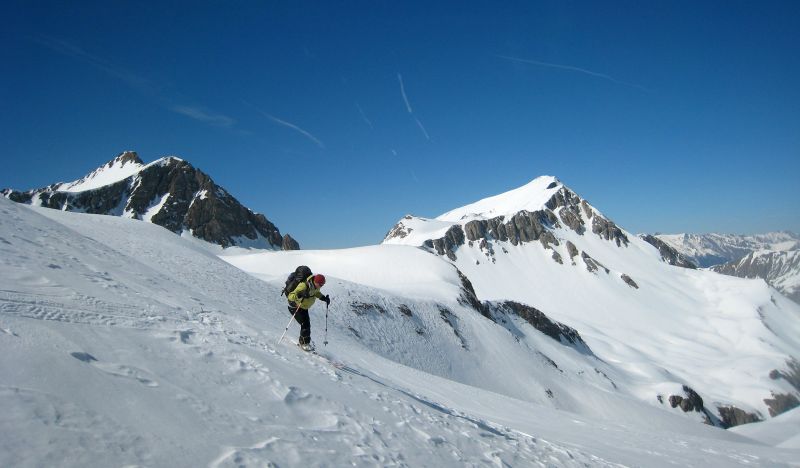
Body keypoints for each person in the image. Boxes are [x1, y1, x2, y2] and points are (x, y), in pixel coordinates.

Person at [287, 273, 330, 351]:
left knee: (306, 325)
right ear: (316, 282)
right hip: (295, 307)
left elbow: (316, 293)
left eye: (322, 285)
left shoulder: (315, 286)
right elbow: (290, 296)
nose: (321, 286)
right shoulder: (303, 286)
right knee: (305, 325)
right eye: (320, 285)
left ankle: (303, 341)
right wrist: (301, 293)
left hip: (304, 308)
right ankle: (304, 344)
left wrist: (324, 298)